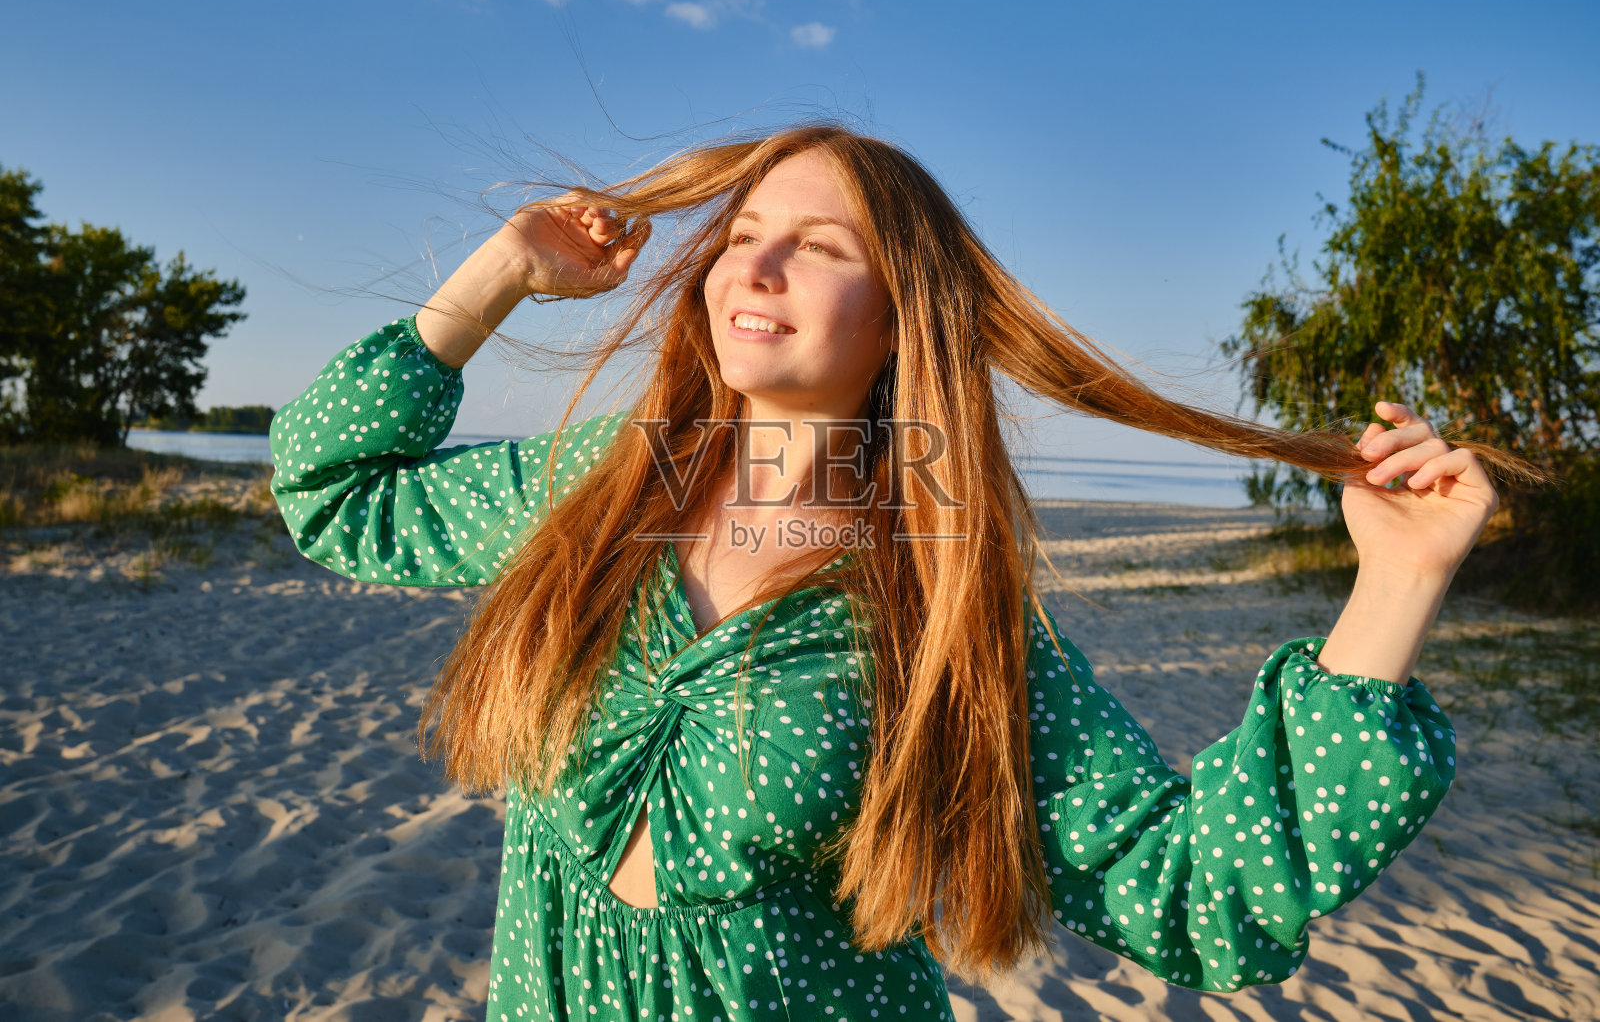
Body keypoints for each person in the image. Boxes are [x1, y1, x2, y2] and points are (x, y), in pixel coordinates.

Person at [269, 124, 1510, 1020]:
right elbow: (337, 491)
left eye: (814, 246)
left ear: (901, 314)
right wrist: (501, 272)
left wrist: (1393, 585)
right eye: (740, 234)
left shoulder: (939, 607)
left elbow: (1191, 893)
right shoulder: (598, 487)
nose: (749, 268)